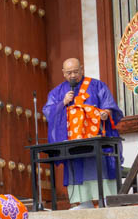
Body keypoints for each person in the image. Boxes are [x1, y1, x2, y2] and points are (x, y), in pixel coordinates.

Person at [42, 58, 124, 208]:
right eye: (69, 72)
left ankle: (107, 200)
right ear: (63, 73)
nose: (72, 75)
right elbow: (48, 112)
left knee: (101, 166)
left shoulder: (97, 85)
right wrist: (62, 103)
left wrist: (106, 113)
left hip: (96, 138)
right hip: (74, 141)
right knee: (77, 167)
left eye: (75, 71)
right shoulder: (58, 92)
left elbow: (109, 105)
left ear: (82, 69)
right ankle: (84, 202)